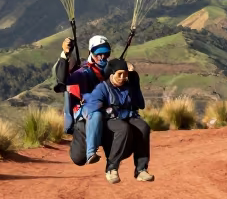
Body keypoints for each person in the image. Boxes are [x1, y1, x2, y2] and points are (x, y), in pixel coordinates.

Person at [82, 58, 153, 184]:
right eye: (119, 74)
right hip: (109, 120)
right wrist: (108, 110)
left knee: (144, 127)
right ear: (111, 74)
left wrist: (135, 81)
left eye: (125, 75)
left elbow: (140, 104)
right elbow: (92, 108)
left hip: (127, 116)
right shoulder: (102, 88)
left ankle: (141, 169)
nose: (122, 78)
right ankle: (111, 168)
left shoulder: (128, 86)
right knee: (123, 128)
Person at [53, 34, 111, 165]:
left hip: (108, 114)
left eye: (106, 54)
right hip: (85, 117)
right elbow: (64, 81)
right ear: (91, 52)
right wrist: (65, 55)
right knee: (79, 159)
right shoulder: (83, 72)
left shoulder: (111, 71)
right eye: (98, 54)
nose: (102, 58)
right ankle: (87, 147)